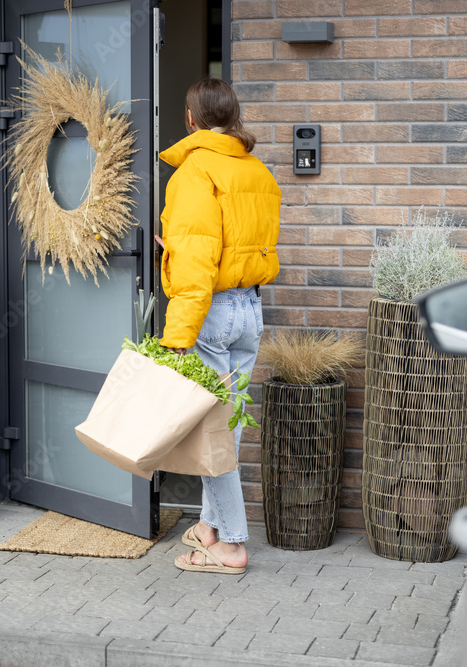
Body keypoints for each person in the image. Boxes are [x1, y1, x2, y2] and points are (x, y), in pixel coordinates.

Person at [156, 78, 280, 574]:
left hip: (212, 313)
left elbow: (197, 264)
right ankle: (209, 526)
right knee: (226, 423)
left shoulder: (193, 173)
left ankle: (229, 545)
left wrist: (175, 340)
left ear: (191, 119)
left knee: (215, 430)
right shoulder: (259, 172)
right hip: (249, 310)